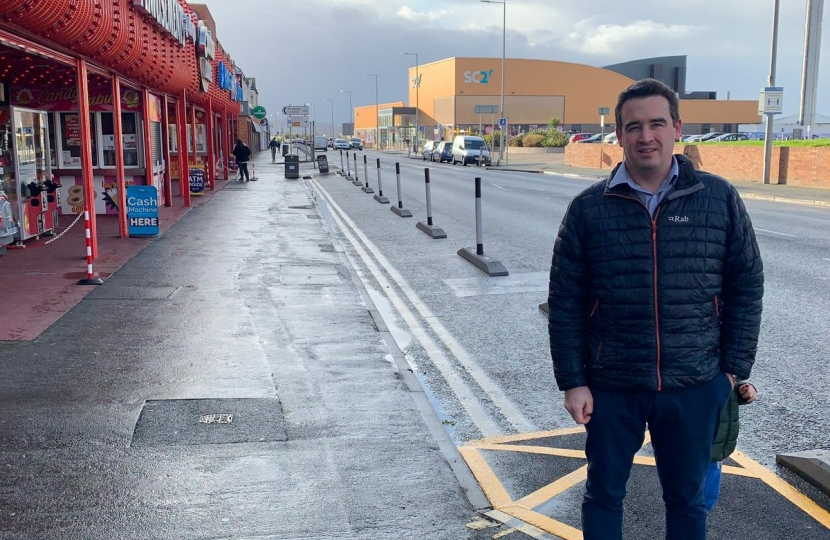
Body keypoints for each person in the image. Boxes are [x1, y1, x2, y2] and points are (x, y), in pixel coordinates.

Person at [547, 78, 764, 540]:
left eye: (656, 124)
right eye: (634, 126)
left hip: (693, 384)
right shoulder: (589, 209)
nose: (646, 136)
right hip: (611, 384)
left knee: (687, 501)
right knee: (603, 495)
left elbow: (746, 286)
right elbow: (566, 300)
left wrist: (729, 372)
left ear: (676, 128)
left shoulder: (718, 198)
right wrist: (573, 381)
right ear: (620, 134)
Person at [705, 380, 757, 512]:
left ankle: (695, 528)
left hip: (716, 448)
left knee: (707, 498)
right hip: (697, 446)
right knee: (690, 502)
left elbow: (727, 390)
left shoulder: (723, 363)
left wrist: (741, 390)